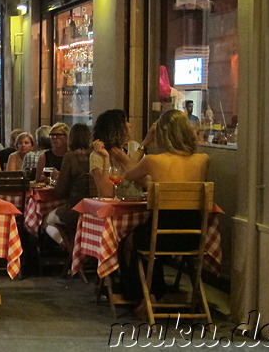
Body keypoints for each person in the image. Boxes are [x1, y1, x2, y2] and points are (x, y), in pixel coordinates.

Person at [123, 109, 210, 309]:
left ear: (162, 134)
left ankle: (146, 296)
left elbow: (127, 174)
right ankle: (158, 292)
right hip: (193, 236)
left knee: (131, 241)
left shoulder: (154, 161)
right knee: (150, 243)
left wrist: (144, 144)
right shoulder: (203, 160)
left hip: (159, 235)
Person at [44, 123, 92, 245]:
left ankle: (69, 248)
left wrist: (57, 177)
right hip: (92, 210)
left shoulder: (71, 157)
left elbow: (60, 191)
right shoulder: (94, 156)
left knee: (46, 221)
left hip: (74, 209)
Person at [89, 109, 138, 198]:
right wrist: (106, 158)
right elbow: (106, 194)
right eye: (125, 122)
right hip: (115, 208)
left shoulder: (134, 147)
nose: (130, 125)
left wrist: (124, 159)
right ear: (116, 128)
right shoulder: (98, 156)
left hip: (138, 204)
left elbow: (146, 183)